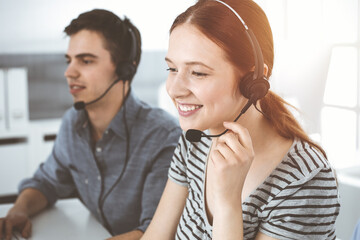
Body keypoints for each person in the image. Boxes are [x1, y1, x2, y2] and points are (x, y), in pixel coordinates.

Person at [141, 0, 340, 239]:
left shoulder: (305, 179)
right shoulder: (196, 139)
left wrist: (227, 203)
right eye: (172, 69)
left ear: (255, 79)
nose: (174, 89)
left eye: (198, 72)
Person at [0, 9, 181, 240]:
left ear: (125, 69)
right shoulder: (73, 123)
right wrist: (19, 210)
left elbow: (156, 232)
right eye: (69, 60)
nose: (69, 72)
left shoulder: (163, 136)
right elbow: (47, 182)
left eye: (85, 61)